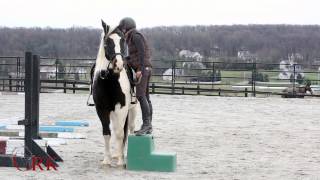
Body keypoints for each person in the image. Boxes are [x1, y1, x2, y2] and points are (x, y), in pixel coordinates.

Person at [118, 17, 153, 135]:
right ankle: (149, 126)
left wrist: (140, 69)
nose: (122, 31)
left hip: (143, 69)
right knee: (146, 97)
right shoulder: (131, 36)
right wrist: (125, 60)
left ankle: (146, 125)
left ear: (126, 28)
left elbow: (142, 53)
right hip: (145, 68)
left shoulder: (136, 36)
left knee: (141, 96)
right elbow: (134, 55)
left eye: (122, 29)